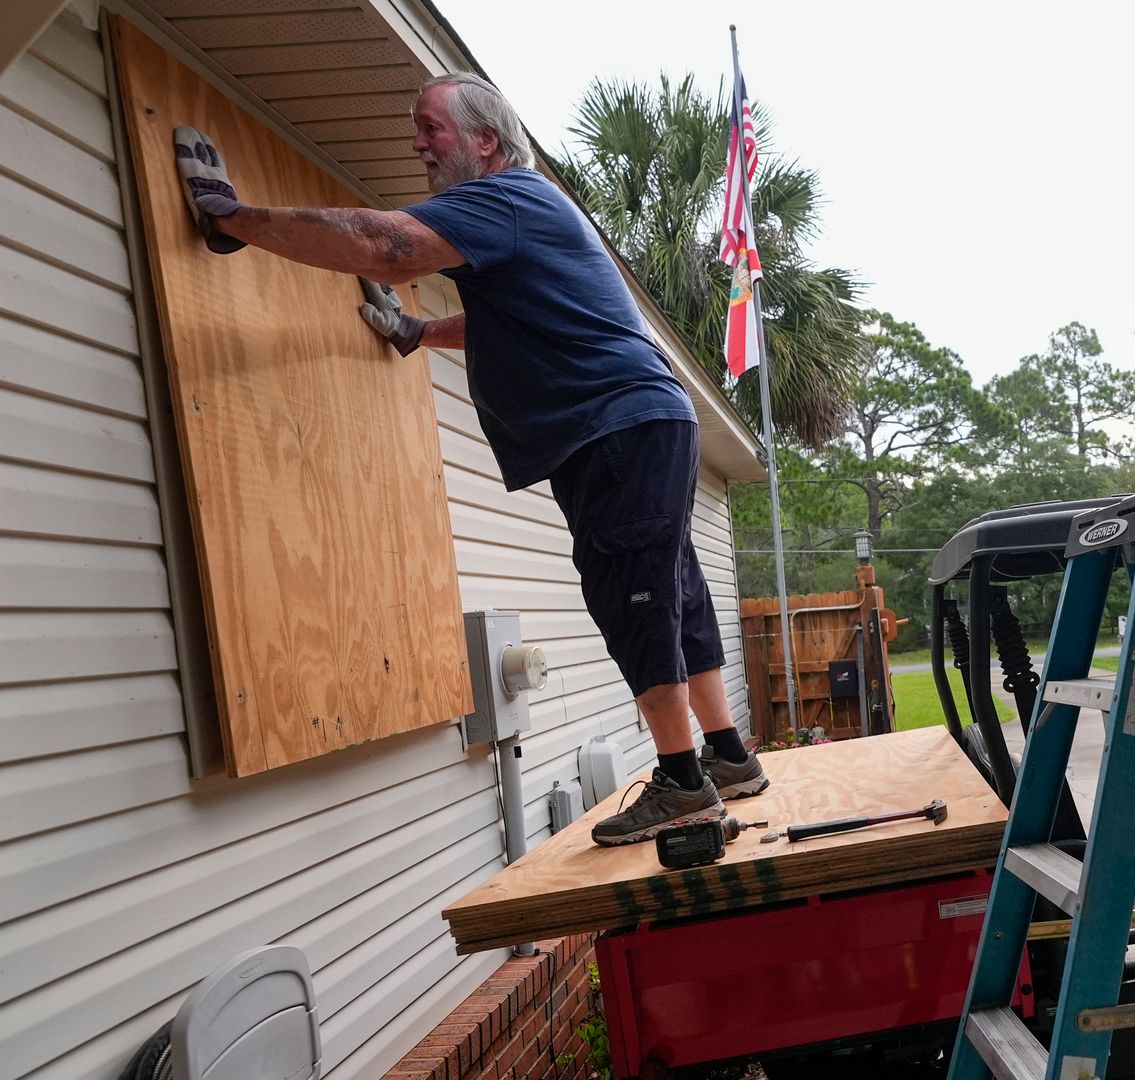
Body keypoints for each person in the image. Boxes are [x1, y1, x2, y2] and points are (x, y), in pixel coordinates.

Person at [172, 72, 766, 845]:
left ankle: (685, 782)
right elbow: (520, 320)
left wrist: (235, 218)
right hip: (639, 421)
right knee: (670, 588)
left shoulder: (505, 198)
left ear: (486, 141)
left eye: (431, 128)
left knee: (635, 592)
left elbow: (387, 248)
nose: (417, 144)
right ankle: (726, 758)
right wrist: (422, 333)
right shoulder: (525, 215)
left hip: (613, 427)